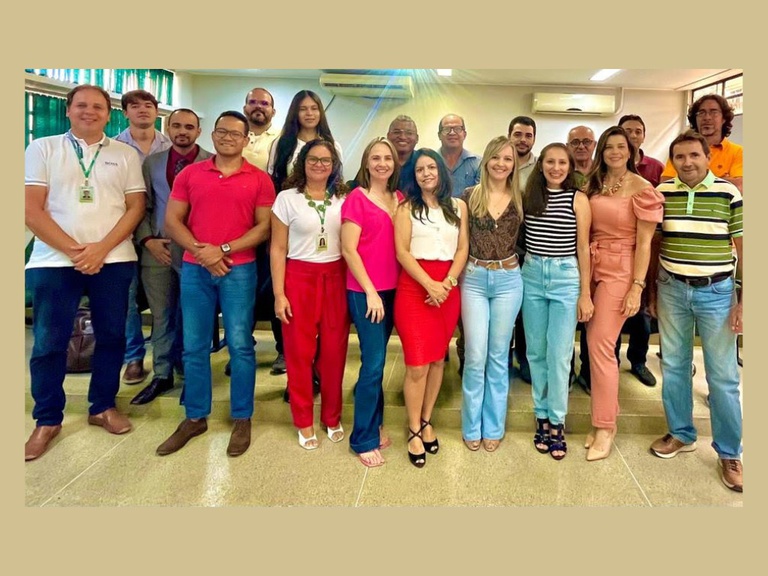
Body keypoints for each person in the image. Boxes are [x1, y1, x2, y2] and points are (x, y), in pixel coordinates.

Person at [24, 84, 146, 461]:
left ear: (109, 114)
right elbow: (30, 209)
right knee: (49, 342)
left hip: (114, 260)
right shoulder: (42, 148)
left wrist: (100, 249)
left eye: (98, 106)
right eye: (81, 105)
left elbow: (135, 207)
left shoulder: (124, 154)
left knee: (112, 336)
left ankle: (102, 406)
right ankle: (47, 418)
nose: (89, 111)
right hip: (54, 261)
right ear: (68, 110)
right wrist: (76, 251)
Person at [156, 111, 275, 457]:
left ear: (246, 140)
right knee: (194, 345)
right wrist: (202, 252)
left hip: (240, 270)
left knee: (240, 344)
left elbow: (263, 228)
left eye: (235, 134)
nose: (227, 138)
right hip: (195, 270)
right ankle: (195, 417)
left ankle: (242, 417)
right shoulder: (191, 174)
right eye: (222, 132)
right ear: (212, 134)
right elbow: (172, 221)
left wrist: (222, 250)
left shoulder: (259, 179)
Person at [648, 130, 743, 492]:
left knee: (722, 376)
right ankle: (680, 432)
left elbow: (745, 245)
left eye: (694, 155)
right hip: (672, 288)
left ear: (707, 157)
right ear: (672, 161)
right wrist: (653, 290)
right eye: (680, 157)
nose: (687, 162)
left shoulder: (728, 193)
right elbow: (656, 243)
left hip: (717, 292)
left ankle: (730, 452)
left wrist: (745, 300)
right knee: (674, 366)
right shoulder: (663, 192)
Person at [582, 126, 664, 461]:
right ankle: (603, 415)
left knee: (600, 344)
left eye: (621, 146)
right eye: (609, 147)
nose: (615, 152)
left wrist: (637, 287)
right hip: (591, 264)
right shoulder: (595, 183)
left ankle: (606, 426)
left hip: (621, 269)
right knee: (593, 344)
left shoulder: (643, 189)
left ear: (630, 151)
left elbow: (645, 244)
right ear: (601, 152)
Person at [130, 108, 213, 405]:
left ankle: (192, 376)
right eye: (176, 125)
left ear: (199, 131)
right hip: (159, 250)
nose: (182, 131)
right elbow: (142, 205)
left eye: (189, 127)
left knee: (194, 317)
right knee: (162, 316)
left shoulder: (212, 163)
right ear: (167, 127)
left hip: (198, 251)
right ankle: (162, 374)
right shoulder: (152, 163)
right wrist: (148, 240)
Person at [271, 139, 350, 450]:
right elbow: (278, 248)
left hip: (336, 277)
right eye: (313, 159)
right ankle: (303, 420)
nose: (319, 164)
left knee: (334, 353)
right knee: (299, 354)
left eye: (326, 160)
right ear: (302, 162)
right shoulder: (286, 199)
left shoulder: (343, 198)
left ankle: (332, 416)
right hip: (299, 278)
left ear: (334, 165)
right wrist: (279, 294)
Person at [394, 149, 469, 467]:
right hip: (415, 288)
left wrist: (447, 283)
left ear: (441, 171)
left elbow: (463, 248)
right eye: (420, 169)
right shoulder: (406, 207)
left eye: (431, 167)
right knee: (417, 365)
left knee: (438, 360)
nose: (426, 173)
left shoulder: (459, 206)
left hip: (447, 288)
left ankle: (426, 420)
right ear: (414, 175)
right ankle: (413, 428)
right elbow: (402, 252)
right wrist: (429, 285)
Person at [521, 143, 593, 461]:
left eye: (562, 162)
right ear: (541, 165)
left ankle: (557, 421)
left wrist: (585, 293)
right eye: (550, 162)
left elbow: (583, 248)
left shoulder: (578, 199)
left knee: (560, 355)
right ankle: (541, 415)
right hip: (532, 275)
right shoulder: (529, 196)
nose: (556, 168)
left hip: (565, 277)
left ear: (569, 167)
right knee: (536, 352)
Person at [267, 89, 343, 382]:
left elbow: (336, 184)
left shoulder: (332, 145)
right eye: (303, 108)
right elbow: (274, 180)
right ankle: (289, 360)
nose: (309, 113)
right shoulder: (282, 143)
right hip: (293, 224)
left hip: (326, 247)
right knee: (293, 320)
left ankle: (319, 373)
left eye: (314, 108)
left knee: (328, 331)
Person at [459, 136, 524, 453]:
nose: (501, 164)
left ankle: (494, 426)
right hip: (474, 279)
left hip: (508, 280)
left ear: (514, 165)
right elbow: (460, 243)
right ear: (486, 161)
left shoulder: (521, 198)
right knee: (475, 355)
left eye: (508, 159)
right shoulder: (468, 197)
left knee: (499, 356)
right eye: (496, 157)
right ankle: (471, 425)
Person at [342, 137, 404, 467]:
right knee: (374, 363)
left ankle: (376, 423)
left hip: (394, 290)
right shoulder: (357, 198)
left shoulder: (399, 198)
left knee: (377, 362)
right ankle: (362, 437)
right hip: (366, 292)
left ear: (395, 163)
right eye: (375, 158)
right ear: (366, 163)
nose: (382, 163)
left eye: (388, 158)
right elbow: (348, 249)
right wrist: (370, 291)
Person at [115, 89, 172, 386]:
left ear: (156, 111)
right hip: (121, 234)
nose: (142, 110)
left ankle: (167, 359)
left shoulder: (171, 145)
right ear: (125, 112)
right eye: (134, 106)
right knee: (127, 300)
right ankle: (133, 357)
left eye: (148, 105)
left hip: (159, 236)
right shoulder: (113, 148)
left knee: (164, 303)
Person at [507, 115, 538, 383]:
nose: (523, 140)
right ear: (510, 136)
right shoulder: (498, 162)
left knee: (526, 307)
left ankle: (525, 358)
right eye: (518, 134)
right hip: (500, 244)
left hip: (530, 243)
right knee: (505, 307)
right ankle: (503, 358)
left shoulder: (540, 169)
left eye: (528, 135)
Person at [660, 94, 742, 193]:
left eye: (714, 112)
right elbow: (666, 185)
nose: (707, 117)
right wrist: (724, 180)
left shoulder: (738, 152)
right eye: (701, 113)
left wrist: (690, 178)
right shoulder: (681, 149)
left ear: (724, 118)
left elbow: (740, 187)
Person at [436, 114, 480, 198]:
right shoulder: (429, 162)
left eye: (458, 129)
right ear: (439, 135)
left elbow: (479, 196)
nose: (452, 133)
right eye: (446, 129)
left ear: (464, 134)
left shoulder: (478, 163)